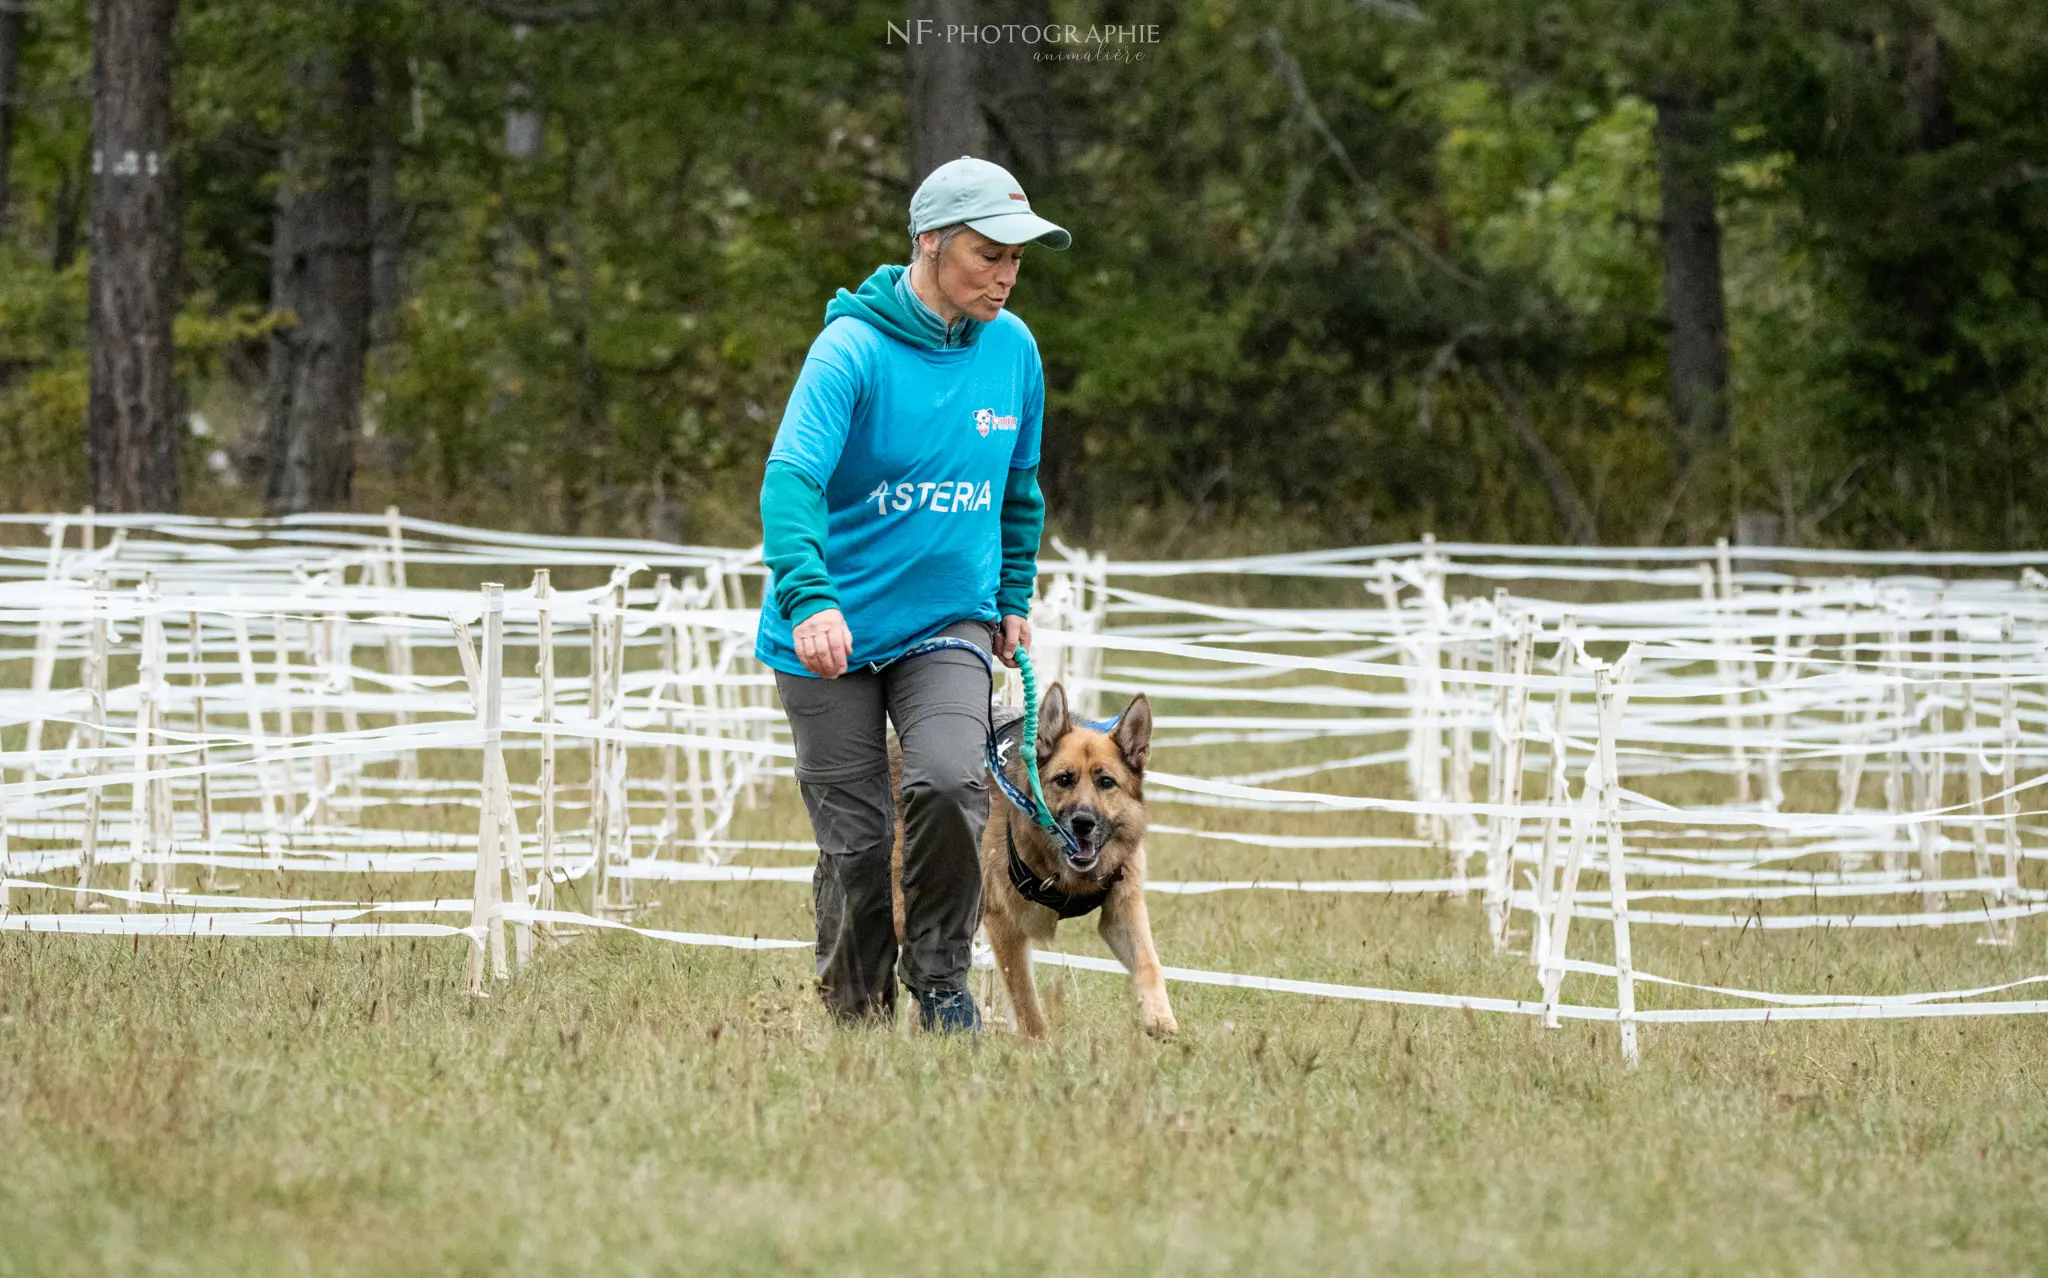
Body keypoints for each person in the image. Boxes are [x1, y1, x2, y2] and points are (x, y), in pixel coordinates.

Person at [755, 155, 1069, 1032]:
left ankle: (939, 978)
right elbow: (790, 484)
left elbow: (1019, 488)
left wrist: (1012, 592)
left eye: (1017, 258)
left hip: (947, 624)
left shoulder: (1014, 351)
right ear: (929, 242)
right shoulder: (850, 349)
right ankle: (855, 1007)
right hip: (830, 631)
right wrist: (811, 597)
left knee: (946, 781)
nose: (1005, 274)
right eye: (987, 253)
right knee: (858, 845)